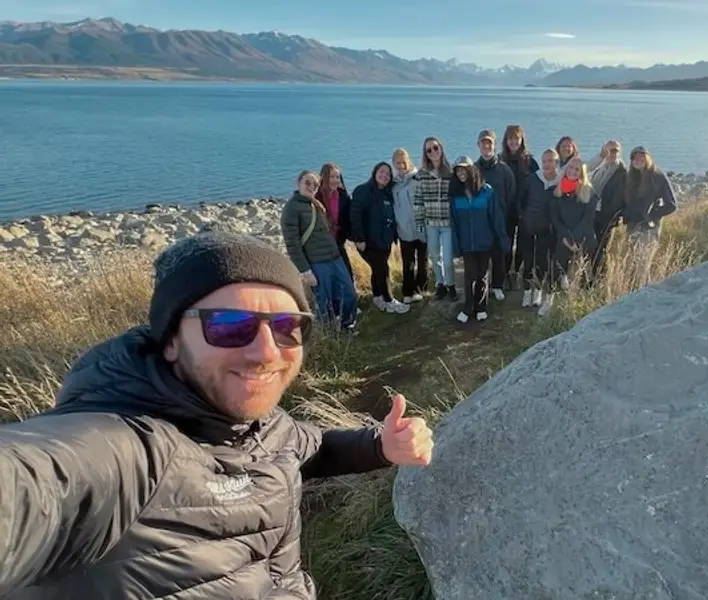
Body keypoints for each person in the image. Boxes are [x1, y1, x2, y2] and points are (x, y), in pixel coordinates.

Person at [0, 230, 434, 599]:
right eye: (229, 324)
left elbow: (310, 447)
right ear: (171, 339)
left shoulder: (262, 425)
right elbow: (34, 483)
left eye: (287, 326)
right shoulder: (126, 452)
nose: (266, 352)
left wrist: (380, 446)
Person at [281, 170, 358, 331]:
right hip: (316, 262)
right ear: (299, 183)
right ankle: (327, 334)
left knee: (348, 293)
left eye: (315, 184)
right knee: (323, 301)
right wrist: (305, 270)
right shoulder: (291, 208)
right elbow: (292, 244)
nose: (311, 187)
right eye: (307, 183)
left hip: (334, 257)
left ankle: (347, 325)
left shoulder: (315, 204)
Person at [449, 156, 510, 323]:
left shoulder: (487, 191)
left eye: (464, 169)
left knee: (482, 275)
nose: (461, 173)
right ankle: (468, 307)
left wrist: (502, 239)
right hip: (467, 244)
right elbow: (454, 223)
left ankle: (481, 307)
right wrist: (456, 246)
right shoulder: (455, 195)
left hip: (485, 242)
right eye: (458, 171)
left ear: (472, 170)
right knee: (470, 276)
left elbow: (496, 218)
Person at [351, 161, 410, 314]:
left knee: (377, 269)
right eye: (381, 172)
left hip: (385, 241)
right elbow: (355, 215)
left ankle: (377, 298)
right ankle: (390, 300)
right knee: (383, 270)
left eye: (388, 174)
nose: (384, 176)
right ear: (375, 172)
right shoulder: (363, 190)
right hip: (369, 241)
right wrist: (359, 238)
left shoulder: (387, 192)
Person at [622, 146, 678, 286]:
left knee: (642, 264)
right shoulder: (630, 177)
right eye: (635, 157)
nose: (638, 160)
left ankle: (644, 293)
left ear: (648, 158)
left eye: (642, 156)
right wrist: (625, 215)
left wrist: (652, 215)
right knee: (630, 265)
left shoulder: (657, 176)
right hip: (632, 226)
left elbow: (671, 204)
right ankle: (636, 293)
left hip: (649, 228)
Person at [414, 136, 457, 302]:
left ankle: (451, 284)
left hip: (448, 224)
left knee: (448, 260)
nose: (433, 152)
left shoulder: (451, 172)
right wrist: (420, 226)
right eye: (429, 150)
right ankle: (441, 285)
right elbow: (418, 201)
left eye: (435, 148)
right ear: (425, 154)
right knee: (434, 257)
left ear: (441, 148)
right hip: (431, 224)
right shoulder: (422, 174)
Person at [475, 129, 516, 301]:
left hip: (500, 220)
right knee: (482, 258)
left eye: (489, 142)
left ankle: (498, 285)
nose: (486, 146)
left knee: (499, 256)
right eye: (483, 142)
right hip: (481, 222)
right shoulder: (474, 169)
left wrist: (504, 215)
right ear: (478, 145)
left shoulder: (504, 170)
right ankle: (481, 286)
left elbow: (511, 194)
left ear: (494, 145)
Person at [499, 124, 540, 291]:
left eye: (516, 138)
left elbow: (538, 184)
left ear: (522, 140)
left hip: (525, 210)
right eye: (510, 138)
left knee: (523, 245)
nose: (513, 142)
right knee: (506, 243)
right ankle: (505, 274)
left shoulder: (530, 161)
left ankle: (516, 271)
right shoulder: (500, 160)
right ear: (506, 141)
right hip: (506, 210)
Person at [520, 148, 560, 316]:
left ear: (556, 163)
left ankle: (538, 291)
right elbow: (521, 199)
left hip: (546, 229)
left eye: (550, 161)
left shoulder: (559, 183)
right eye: (544, 161)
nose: (546, 164)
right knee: (528, 259)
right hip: (528, 226)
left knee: (542, 262)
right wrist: (523, 216)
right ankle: (527, 291)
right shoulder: (532, 179)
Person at [549, 156, 600, 289]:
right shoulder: (558, 190)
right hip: (564, 238)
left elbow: (588, 219)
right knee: (558, 272)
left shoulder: (588, 191)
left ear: (581, 173)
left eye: (577, 169)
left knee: (582, 276)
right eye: (570, 168)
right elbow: (555, 218)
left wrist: (575, 241)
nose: (572, 171)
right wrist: (566, 237)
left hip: (584, 238)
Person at [391, 148, 428, 304]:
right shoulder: (393, 185)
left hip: (421, 228)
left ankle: (421, 289)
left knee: (423, 261)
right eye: (397, 163)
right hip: (404, 230)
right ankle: (408, 292)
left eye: (403, 162)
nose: (401, 166)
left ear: (409, 161)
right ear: (394, 164)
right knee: (408, 263)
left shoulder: (419, 178)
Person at [588, 140, 627, 281]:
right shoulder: (602, 168)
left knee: (601, 250)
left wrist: (616, 216)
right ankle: (591, 278)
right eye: (608, 150)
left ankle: (600, 280)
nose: (611, 153)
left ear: (619, 152)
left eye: (615, 150)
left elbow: (623, 198)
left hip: (607, 217)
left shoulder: (622, 172)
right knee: (592, 248)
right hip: (595, 214)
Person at [316, 162, 354, 279]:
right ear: (323, 177)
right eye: (331, 177)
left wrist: (357, 237)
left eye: (337, 177)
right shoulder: (316, 197)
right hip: (319, 245)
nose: (335, 180)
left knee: (347, 276)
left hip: (338, 242)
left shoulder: (343, 197)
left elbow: (347, 221)